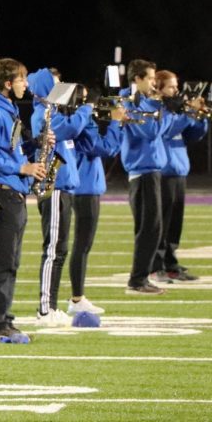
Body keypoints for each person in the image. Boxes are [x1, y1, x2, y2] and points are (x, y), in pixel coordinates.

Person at [0, 58, 47, 343]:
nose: (25, 85)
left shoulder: (7, 110)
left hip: (15, 192)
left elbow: (11, 149)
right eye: (22, 79)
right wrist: (22, 168)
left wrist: (36, 144)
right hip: (4, 191)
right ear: (8, 83)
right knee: (3, 260)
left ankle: (4, 316)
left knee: (12, 261)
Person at [27, 68, 95, 327]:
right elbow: (73, 127)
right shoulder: (43, 115)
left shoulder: (54, 113)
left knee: (60, 249)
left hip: (64, 188)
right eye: (55, 85)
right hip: (53, 188)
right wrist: (86, 108)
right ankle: (45, 309)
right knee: (54, 250)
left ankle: (51, 307)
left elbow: (83, 139)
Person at [151, 69, 209, 283]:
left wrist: (199, 117)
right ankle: (156, 266)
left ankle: (170, 264)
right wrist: (186, 115)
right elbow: (167, 129)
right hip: (163, 172)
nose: (177, 90)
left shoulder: (176, 110)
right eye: (172, 87)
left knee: (175, 225)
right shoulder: (157, 109)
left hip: (179, 171)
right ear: (159, 88)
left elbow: (193, 135)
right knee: (161, 224)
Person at [67, 106, 124, 315]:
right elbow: (106, 147)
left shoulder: (80, 123)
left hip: (86, 188)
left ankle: (77, 297)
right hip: (85, 189)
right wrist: (116, 123)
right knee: (81, 246)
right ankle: (76, 298)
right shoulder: (82, 125)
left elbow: (111, 147)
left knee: (83, 246)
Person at [118, 59, 167, 295]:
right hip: (142, 171)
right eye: (148, 78)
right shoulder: (128, 102)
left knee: (153, 228)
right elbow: (150, 132)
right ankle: (136, 281)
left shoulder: (146, 102)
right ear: (137, 78)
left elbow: (159, 130)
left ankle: (141, 278)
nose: (153, 83)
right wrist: (157, 108)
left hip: (151, 170)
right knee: (148, 228)